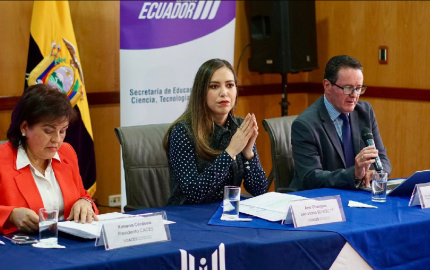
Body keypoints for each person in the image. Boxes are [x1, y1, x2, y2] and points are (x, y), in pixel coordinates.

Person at [0, 84, 99, 234]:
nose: (57, 139)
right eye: (48, 131)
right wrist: (10, 215)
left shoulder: (66, 153)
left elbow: (82, 195)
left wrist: (85, 202)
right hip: (20, 250)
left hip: (69, 247)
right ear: (24, 127)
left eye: (62, 131)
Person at [163, 58, 268, 206]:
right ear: (201, 92)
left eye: (230, 85)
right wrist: (230, 152)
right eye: (214, 86)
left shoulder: (239, 126)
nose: (224, 93)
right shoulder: (183, 131)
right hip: (188, 218)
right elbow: (194, 194)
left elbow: (260, 190)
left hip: (227, 214)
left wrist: (249, 153)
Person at [290, 55, 392, 191]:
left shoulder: (365, 112)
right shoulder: (305, 125)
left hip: (357, 196)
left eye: (359, 88)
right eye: (348, 88)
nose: (355, 95)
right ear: (327, 86)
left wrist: (375, 172)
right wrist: (354, 174)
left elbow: (383, 160)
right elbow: (311, 178)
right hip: (318, 202)